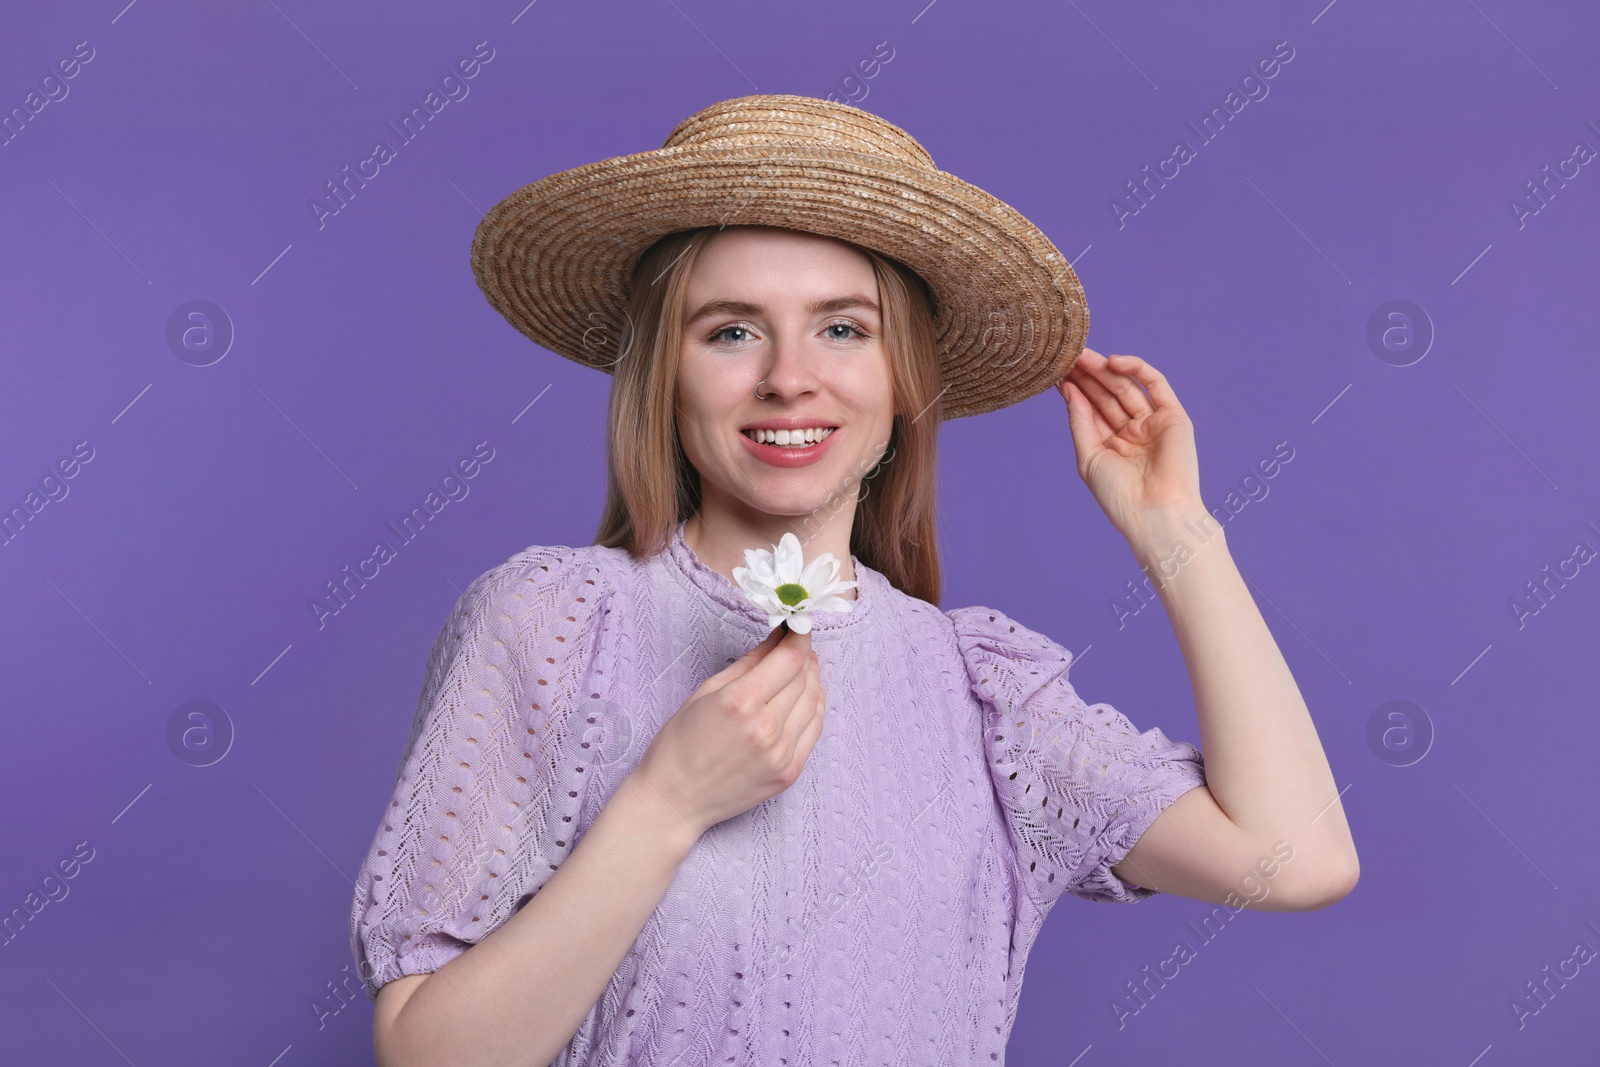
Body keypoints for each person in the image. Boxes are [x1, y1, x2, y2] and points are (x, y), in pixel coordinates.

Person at [348, 95, 1359, 1066]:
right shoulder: (552, 621)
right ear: (663, 374)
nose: (790, 375)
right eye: (730, 329)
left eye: (843, 328)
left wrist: (1176, 532)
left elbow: (1296, 855)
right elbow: (428, 1050)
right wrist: (663, 803)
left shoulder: (982, 692)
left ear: (903, 381)